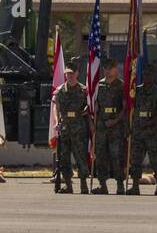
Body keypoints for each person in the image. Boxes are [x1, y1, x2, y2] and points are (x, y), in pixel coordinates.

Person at [128, 64, 157, 195]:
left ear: (153, 76)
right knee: (135, 160)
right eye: (145, 75)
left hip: (152, 131)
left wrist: (152, 123)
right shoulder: (136, 91)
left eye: (150, 75)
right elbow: (131, 109)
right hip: (138, 130)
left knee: (156, 160)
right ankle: (135, 186)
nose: (147, 77)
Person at [52, 61, 91, 194]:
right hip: (65, 128)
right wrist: (57, 121)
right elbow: (55, 107)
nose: (69, 76)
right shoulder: (60, 91)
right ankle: (68, 185)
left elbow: (90, 107)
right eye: (67, 74)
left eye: (71, 73)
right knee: (64, 158)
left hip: (79, 128)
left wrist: (87, 110)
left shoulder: (84, 90)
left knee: (81, 156)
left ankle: (84, 185)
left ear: (77, 74)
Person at [91, 58, 127, 195]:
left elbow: (124, 108)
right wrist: (94, 119)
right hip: (101, 125)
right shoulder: (98, 85)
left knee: (116, 156)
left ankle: (120, 185)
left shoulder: (121, 85)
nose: (108, 70)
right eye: (105, 68)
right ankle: (102, 185)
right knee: (100, 155)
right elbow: (96, 104)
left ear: (115, 69)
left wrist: (116, 120)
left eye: (110, 68)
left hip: (115, 125)